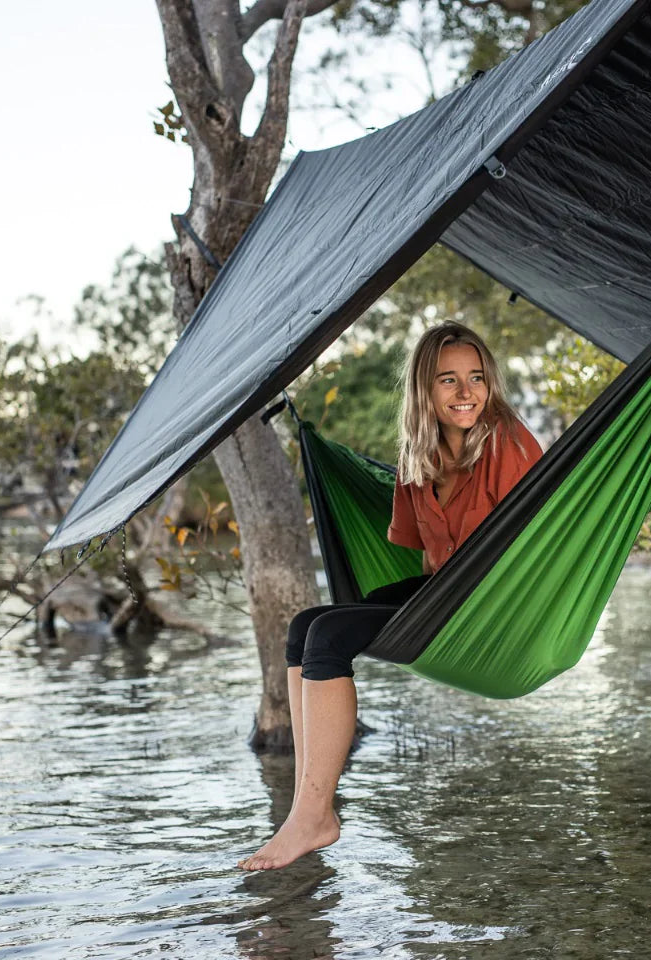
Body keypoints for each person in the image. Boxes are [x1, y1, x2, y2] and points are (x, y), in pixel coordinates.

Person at [238, 322, 543, 871]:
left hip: (496, 605)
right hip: (444, 593)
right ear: (424, 390)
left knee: (330, 636)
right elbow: (426, 557)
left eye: (476, 378)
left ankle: (313, 816)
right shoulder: (416, 460)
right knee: (305, 626)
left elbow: (541, 539)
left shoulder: (509, 443)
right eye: (448, 380)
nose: (466, 392)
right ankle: (307, 806)